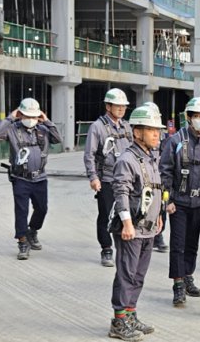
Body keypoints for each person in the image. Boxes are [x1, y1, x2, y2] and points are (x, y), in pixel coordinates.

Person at [108, 105, 165, 341]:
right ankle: (118, 322)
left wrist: (158, 215)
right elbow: (120, 192)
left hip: (148, 228)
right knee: (126, 274)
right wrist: (127, 224)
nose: (157, 134)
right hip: (131, 229)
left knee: (139, 275)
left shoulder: (151, 157)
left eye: (157, 130)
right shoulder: (127, 159)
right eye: (152, 130)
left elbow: (154, 190)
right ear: (137, 132)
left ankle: (131, 314)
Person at [159, 97, 200, 307]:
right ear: (189, 117)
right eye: (197, 116)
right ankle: (178, 284)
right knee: (178, 244)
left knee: (192, 243)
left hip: (199, 202)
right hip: (178, 202)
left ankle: (188, 274)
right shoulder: (175, 141)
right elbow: (164, 172)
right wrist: (167, 200)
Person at [0, 98, 62, 260]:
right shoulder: (12, 129)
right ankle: (23, 241)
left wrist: (47, 121)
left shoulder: (43, 129)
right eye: (27, 115)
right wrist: (11, 117)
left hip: (40, 177)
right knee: (21, 210)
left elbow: (58, 139)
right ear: (21, 114)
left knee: (42, 208)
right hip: (20, 178)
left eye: (34, 116)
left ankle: (33, 231)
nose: (31, 119)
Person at [84, 88, 133, 267]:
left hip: (126, 179)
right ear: (108, 106)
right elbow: (89, 154)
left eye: (123, 106)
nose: (121, 109)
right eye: (117, 106)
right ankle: (106, 248)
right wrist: (93, 177)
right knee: (106, 214)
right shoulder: (97, 127)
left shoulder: (127, 127)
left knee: (126, 212)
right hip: (107, 178)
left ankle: (124, 246)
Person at [143, 101, 169, 254]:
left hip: (159, 179)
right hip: (144, 178)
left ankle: (158, 236)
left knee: (161, 207)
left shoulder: (163, 136)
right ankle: (148, 236)